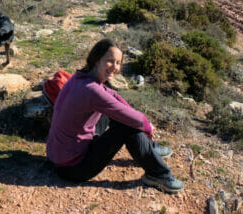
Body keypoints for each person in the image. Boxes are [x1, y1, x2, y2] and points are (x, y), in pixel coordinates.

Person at [46, 38, 184, 193]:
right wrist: (147, 126)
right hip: (73, 168)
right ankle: (158, 174)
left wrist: (140, 121)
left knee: (123, 117)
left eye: (118, 63)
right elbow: (132, 118)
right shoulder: (92, 90)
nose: (115, 67)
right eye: (110, 61)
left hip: (58, 158)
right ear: (97, 59)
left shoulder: (79, 77)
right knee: (128, 126)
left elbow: (113, 97)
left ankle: (150, 149)